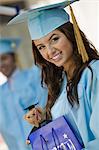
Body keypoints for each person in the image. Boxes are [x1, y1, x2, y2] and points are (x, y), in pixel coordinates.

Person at [8, 0, 99, 149]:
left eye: (55, 39)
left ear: (71, 34)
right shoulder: (61, 81)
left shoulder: (94, 73)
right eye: (41, 47)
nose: (49, 52)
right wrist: (43, 123)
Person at [0, 38, 48, 150]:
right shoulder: (1, 92)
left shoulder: (33, 76)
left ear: (14, 58)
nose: (1, 64)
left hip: (44, 143)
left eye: (4, 58)